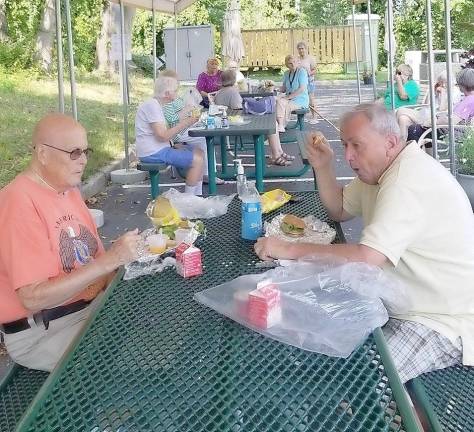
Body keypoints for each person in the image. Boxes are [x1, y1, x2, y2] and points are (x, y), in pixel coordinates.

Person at [254, 103, 474, 383]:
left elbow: (366, 256)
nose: (348, 156)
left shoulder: (405, 181)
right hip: (395, 301)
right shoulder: (383, 169)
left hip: (440, 320)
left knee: (362, 385)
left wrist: (286, 249)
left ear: (390, 142)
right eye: (345, 145)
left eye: (357, 145)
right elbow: (339, 209)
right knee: (308, 328)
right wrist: (323, 165)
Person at [0, 114, 142, 372]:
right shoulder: (18, 202)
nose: (84, 160)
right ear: (43, 153)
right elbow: (32, 298)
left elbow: (98, 266)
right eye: (74, 153)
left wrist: (127, 261)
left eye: (86, 151)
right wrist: (112, 259)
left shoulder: (67, 191)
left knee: (155, 319)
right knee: (141, 353)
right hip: (44, 331)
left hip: (86, 308)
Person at [135, 71, 205, 195]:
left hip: (158, 148)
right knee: (197, 159)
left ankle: (198, 194)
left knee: (199, 152)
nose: (177, 94)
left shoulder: (156, 104)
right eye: (176, 91)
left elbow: (164, 133)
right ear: (167, 94)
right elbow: (162, 136)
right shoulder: (152, 107)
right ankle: (189, 199)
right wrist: (186, 123)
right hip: (153, 153)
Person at [215, 69, 296, 166]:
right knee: (270, 123)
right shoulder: (233, 92)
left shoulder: (219, 92)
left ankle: (278, 151)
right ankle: (276, 154)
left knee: (272, 123)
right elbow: (238, 109)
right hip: (235, 122)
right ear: (234, 80)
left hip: (227, 120)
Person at [160, 70, 224, 185]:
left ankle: (204, 172)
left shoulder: (174, 98)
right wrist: (187, 109)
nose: (177, 86)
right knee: (205, 139)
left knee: (207, 131)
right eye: (175, 84)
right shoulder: (166, 102)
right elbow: (172, 119)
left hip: (187, 127)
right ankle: (208, 174)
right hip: (179, 132)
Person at [405, 68, 474, 144]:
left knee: (413, 130)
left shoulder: (469, 100)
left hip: (452, 132)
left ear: (463, 84)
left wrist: (432, 122)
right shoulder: (470, 98)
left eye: (458, 83)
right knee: (422, 129)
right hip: (454, 130)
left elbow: (451, 121)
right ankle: (428, 154)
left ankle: (415, 154)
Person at [396, 70, 462, 141]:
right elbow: (426, 104)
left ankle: (399, 144)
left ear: (451, 82)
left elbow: (442, 109)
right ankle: (403, 145)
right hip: (425, 114)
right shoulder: (437, 89)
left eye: (446, 82)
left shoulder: (455, 92)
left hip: (435, 119)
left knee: (400, 111)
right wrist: (432, 91)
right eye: (441, 82)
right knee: (403, 119)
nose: (443, 85)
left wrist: (442, 94)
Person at [276, 54, 309, 133]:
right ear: (287, 65)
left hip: (300, 100)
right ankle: (279, 125)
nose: (293, 64)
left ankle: (278, 130)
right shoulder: (286, 73)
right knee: (278, 101)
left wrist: (287, 97)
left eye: (294, 62)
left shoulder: (302, 72)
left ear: (298, 62)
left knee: (286, 105)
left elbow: (302, 89)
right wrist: (274, 88)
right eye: (290, 63)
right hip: (290, 98)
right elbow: (284, 88)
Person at [296, 41, 317, 117]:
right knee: (301, 99)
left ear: (305, 49)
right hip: (300, 83)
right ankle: (301, 119)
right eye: (299, 49)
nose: (301, 50)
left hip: (309, 82)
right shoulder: (297, 59)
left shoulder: (310, 58)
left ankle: (314, 117)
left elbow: (315, 70)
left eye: (302, 48)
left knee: (311, 100)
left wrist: (308, 73)